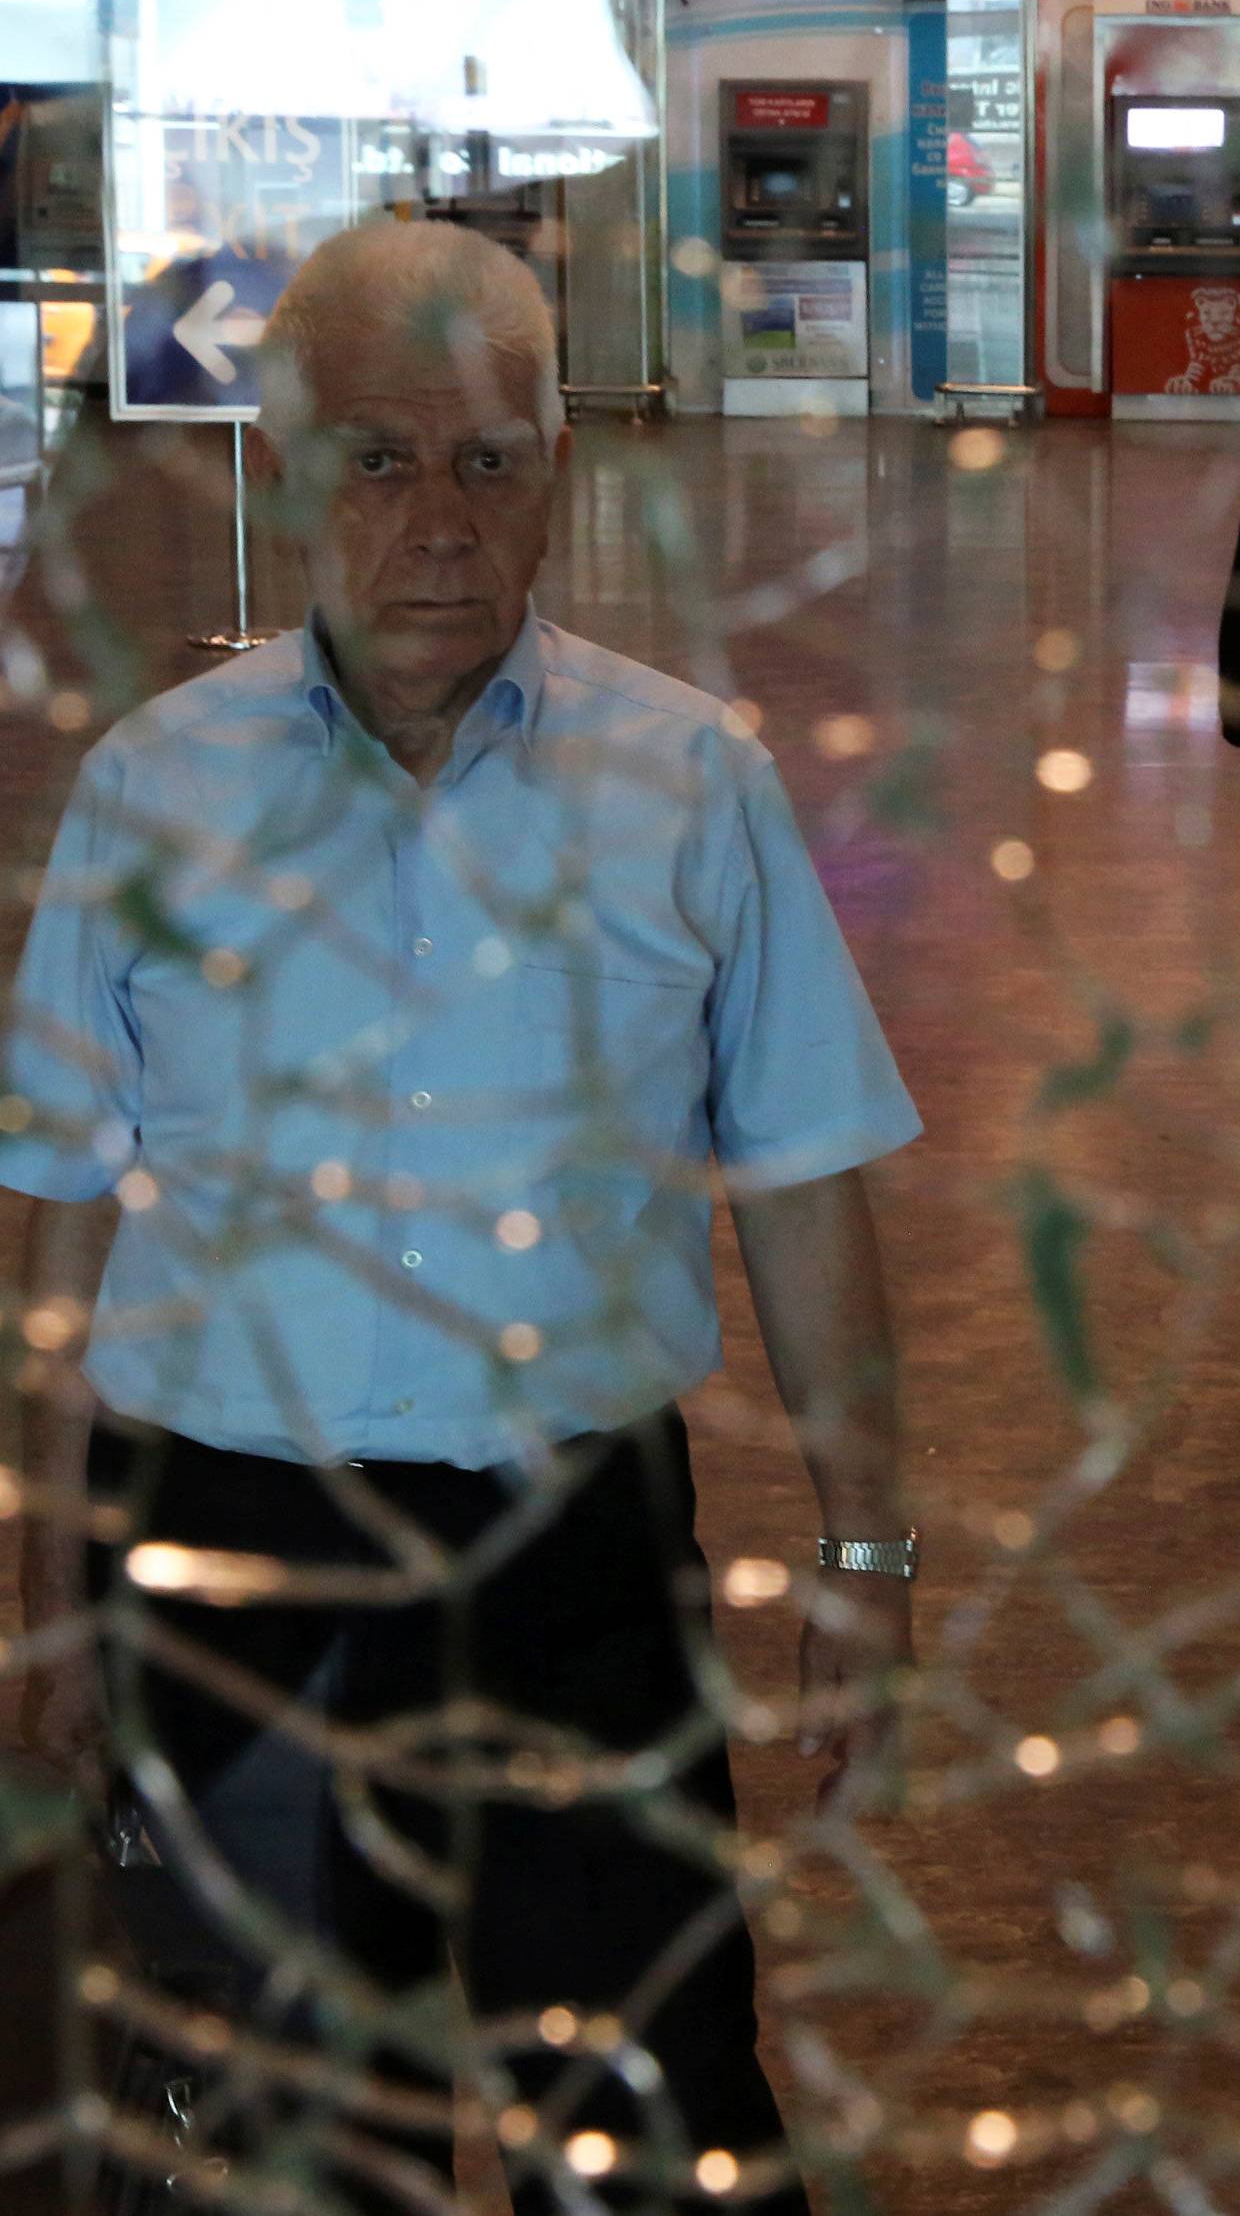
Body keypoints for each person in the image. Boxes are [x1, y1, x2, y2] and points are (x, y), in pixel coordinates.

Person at [1, 217, 923, 2213]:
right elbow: (65, 1211)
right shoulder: (150, 796)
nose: (439, 518)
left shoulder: (688, 785)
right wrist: (50, 1572)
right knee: (284, 2129)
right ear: (280, 472)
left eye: (491, 460)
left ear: (559, 478)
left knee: (658, 2116)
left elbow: (804, 1182)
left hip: (576, 1558)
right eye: (378, 459)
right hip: (231, 1566)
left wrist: (864, 1542)